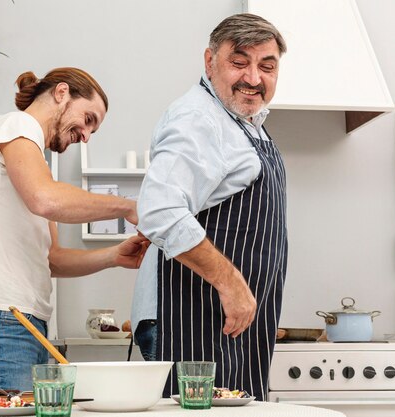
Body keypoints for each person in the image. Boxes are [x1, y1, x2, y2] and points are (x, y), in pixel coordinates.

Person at [0, 67, 150, 392]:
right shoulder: (16, 125)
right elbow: (44, 199)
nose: (86, 135)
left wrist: (116, 256)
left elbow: (53, 259)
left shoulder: (37, 166)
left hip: (21, 321)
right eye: (88, 119)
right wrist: (127, 206)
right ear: (61, 94)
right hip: (1, 318)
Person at [131, 13, 288, 400]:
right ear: (209, 61)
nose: (253, 78)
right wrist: (231, 282)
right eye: (239, 62)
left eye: (266, 67)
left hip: (228, 325)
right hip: (191, 321)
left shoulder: (242, 121)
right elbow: (160, 210)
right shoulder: (198, 118)